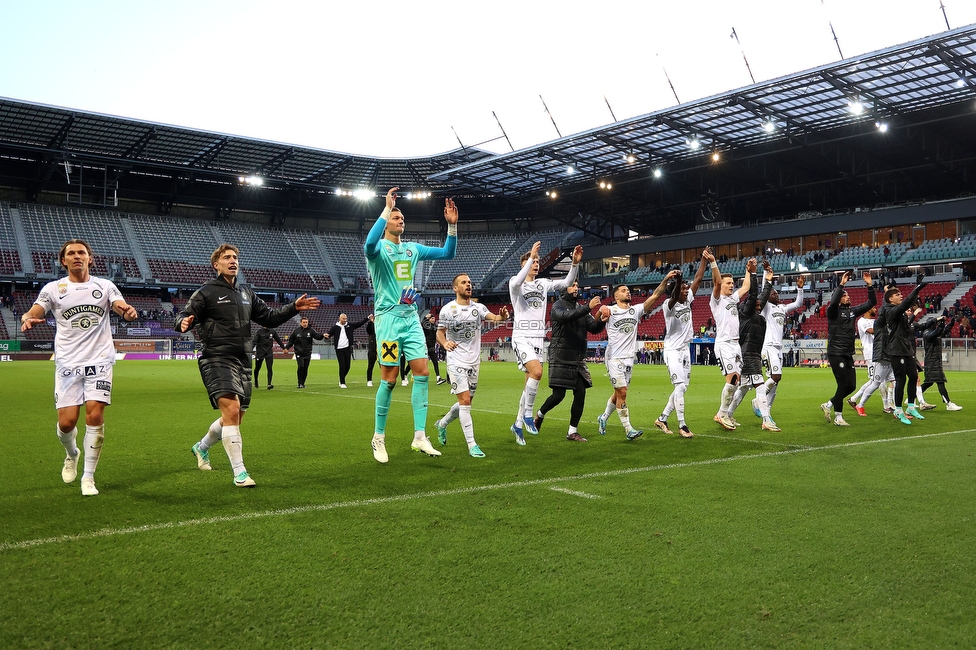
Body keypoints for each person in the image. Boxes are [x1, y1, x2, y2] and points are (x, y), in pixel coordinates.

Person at [177, 243, 320, 487]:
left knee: (235, 417)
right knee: (231, 411)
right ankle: (240, 473)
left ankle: (201, 447)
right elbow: (183, 315)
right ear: (217, 264)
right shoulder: (206, 292)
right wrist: (184, 322)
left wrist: (293, 308)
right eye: (227, 258)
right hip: (216, 358)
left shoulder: (246, 293)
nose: (233, 261)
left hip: (243, 359)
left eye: (235, 257)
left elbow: (269, 318)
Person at [20, 239, 138, 496]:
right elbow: (37, 308)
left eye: (81, 253)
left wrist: (126, 312)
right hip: (68, 362)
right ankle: (72, 453)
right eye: (71, 253)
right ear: (63, 261)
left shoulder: (104, 286)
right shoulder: (53, 288)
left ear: (89, 258)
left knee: (95, 416)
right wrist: (28, 317)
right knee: (66, 423)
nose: (76, 257)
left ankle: (88, 477)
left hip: (100, 359)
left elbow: (120, 306)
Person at [364, 187, 457, 464]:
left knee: (423, 372)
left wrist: (452, 227)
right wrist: (386, 208)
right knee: (390, 379)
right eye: (396, 217)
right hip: (388, 320)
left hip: (410, 319)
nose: (400, 219)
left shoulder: (412, 249)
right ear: (386, 222)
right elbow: (369, 243)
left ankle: (419, 435)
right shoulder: (378, 249)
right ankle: (378, 437)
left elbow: (447, 254)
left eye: (402, 217)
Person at [509, 239, 582, 444]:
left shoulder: (543, 283)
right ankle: (527, 416)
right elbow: (516, 283)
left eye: (538, 261)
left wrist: (574, 264)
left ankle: (517, 425)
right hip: (521, 335)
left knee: (529, 383)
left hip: (538, 339)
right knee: (538, 372)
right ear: (524, 265)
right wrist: (531, 255)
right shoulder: (516, 283)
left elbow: (567, 283)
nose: (536, 263)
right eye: (533, 261)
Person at [433, 273, 510, 457]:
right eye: (464, 282)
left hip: (474, 362)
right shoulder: (447, 310)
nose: (468, 285)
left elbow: (494, 318)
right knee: (465, 401)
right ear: (455, 288)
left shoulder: (478, 308)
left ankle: (442, 423)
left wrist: (501, 317)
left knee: (466, 403)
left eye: (469, 282)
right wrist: (445, 344)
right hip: (455, 360)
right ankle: (472, 444)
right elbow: (439, 333)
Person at [597, 270, 680, 440]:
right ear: (616, 297)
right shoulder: (610, 310)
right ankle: (628, 430)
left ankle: (603, 417)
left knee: (619, 393)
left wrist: (665, 279)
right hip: (614, 357)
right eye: (623, 290)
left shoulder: (635, 310)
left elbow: (656, 296)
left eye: (628, 290)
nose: (627, 291)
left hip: (629, 358)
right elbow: (596, 320)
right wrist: (600, 311)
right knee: (623, 392)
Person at [534, 281, 608, 441]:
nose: (576, 288)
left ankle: (572, 431)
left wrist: (602, 320)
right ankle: (539, 415)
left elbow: (593, 328)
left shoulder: (579, 307)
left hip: (577, 358)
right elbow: (566, 317)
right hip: (560, 355)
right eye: (572, 285)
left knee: (580, 392)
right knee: (558, 395)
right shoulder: (557, 307)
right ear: (563, 289)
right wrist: (588, 307)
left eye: (577, 285)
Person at [654, 250, 711, 437]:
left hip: (685, 349)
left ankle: (662, 418)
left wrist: (704, 259)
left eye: (687, 290)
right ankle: (682, 425)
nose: (687, 292)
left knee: (682, 387)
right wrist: (678, 282)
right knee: (679, 386)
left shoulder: (687, 301)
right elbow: (676, 293)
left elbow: (698, 277)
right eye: (684, 290)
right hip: (672, 350)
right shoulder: (668, 306)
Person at [820, 270, 876, 426]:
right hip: (836, 352)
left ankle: (829, 404)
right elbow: (833, 303)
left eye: (848, 295)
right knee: (843, 385)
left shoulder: (852, 312)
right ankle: (838, 417)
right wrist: (841, 284)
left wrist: (869, 285)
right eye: (844, 295)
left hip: (847, 353)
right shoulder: (832, 312)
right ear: (838, 299)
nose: (848, 297)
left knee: (851, 386)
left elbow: (871, 303)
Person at [727, 260, 776, 430]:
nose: (759, 303)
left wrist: (768, 280)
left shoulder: (755, 311)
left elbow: (761, 296)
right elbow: (755, 295)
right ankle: (766, 419)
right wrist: (754, 274)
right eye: (755, 301)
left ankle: (727, 415)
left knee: (743, 388)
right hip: (748, 354)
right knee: (760, 386)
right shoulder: (746, 313)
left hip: (751, 353)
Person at [709, 255, 756, 430]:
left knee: (738, 382)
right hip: (723, 344)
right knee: (732, 379)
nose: (731, 285)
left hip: (735, 345)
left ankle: (726, 414)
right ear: (721, 285)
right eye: (728, 283)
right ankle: (721, 414)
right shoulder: (716, 300)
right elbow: (716, 282)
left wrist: (748, 269)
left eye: (731, 283)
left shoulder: (733, 299)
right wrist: (713, 262)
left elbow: (746, 286)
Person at [753, 273, 806, 422]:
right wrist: (766, 275)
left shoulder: (782, 308)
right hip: (768, 346)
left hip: (778, 348)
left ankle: (767, 413)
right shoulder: (766, 307)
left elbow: (797, 304)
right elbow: (764, 289)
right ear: (767, 297)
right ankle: (758, 399)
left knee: (775, 382)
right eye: (773, 293)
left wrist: (800, 289)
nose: (776, 294)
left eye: (776, 293)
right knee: (776, 377)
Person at [878, 275, 926, 424]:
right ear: (890, 299)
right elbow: (905, 304)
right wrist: (917, 288)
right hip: (895, 350)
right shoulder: (891, 311)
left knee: (913, 376)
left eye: (900, 294)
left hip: (906, 349)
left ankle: (911, 406)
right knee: (901, 379)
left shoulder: (900, 312)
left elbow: (906, 308)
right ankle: (898, 410)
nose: (901, 296)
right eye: (897, 295)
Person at [918, 315, 962, 411]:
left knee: (928, 383)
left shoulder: (933, 333)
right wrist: (941, 324)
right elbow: (937, 332)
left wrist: (951, 323)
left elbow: (943, 331)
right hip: (931, 361)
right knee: (940, 382)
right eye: (936, 323)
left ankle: (911, 397)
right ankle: (948, 403)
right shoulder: (927, 333)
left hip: (934, 361)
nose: (937, 325)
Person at [400, 312, 445, 386]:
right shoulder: (426, 326)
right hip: (425, 347)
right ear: (429, 319)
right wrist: (425, 318)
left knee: (435, 362)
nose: (434, 320)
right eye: (432, 318)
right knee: (416, 362)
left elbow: (436, 335)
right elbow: (422, 324)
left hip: (432, 347)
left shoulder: (434, 327)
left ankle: (438, 377)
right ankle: (405, 373)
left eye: (434, 318)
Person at [283, 316, 326, 388]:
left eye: (306, 322)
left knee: (305, 368)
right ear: (300, 323)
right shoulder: (296, 331)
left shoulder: (311, 330)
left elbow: (317, 336)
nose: (305, 324)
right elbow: (291, 341)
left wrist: (323, 335)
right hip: (299, 352)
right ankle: (299, 383)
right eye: (303, 322)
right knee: (301, 366)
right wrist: (286, 348)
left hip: (307, 352)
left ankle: (303, 383)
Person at [328, 312, 367, 388]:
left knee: (348, 366)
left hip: (347, 348)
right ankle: (342, 382)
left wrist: (367, 318)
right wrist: (326, 335)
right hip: (339, 349)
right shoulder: (335, 327)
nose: (345, 320)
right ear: (339, 318)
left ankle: (341, 378)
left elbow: (359, 324)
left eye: (345, 318)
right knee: (342, 365)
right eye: (343, 318)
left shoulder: (350, 326)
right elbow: (329, 334)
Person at [365, 314, 377, 387]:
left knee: (383, 365)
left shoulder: (381, 326)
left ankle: (384, 379)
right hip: (372, 348)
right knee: (370, 366)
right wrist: (371, 322)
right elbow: (368, 330)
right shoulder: (372, 327)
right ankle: (369, 380)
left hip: (381, 348)